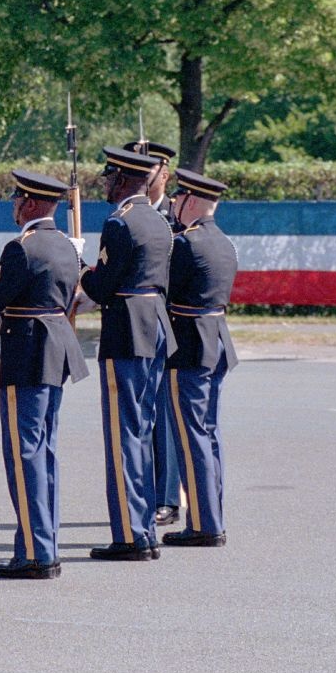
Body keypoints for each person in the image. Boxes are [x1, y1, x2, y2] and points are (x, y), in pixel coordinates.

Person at [0, 169, 90, 579]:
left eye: (16, 199)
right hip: (56, 349)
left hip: (27, 351)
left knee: (24, 453)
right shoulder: (65, 246)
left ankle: (35, 552)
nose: (14, 206)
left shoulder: (20, 248)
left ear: (28, 203)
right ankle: (45, 543)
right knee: (44, 451)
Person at [77, 146, 177, 561]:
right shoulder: (158, 222)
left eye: (108, 178)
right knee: (143, 426)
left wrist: (79, 265)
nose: (105, 185)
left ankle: (131, 534)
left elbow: (102, 287)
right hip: (154, 324)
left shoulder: (120, 223)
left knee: (124, 435)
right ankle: (145, 530)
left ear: (121, 180)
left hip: (128, 330)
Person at [161, 168, 238, 547]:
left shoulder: (185, 244)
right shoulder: (223, 241)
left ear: (189, 201)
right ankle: (213, 516)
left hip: (190, 343)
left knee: (191, 436)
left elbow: (162, 289)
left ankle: (204, 524)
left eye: (177, 200)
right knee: (208, 433)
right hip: (216, 340)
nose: (174, 205)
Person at [130, 139, 187, 527]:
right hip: (135, 326)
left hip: (167, 323)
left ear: (164, 174)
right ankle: (144, 492)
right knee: (141, 414)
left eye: (146, 169)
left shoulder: (175, 219)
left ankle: (167, 497)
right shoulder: (128, 214)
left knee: (164, 415)